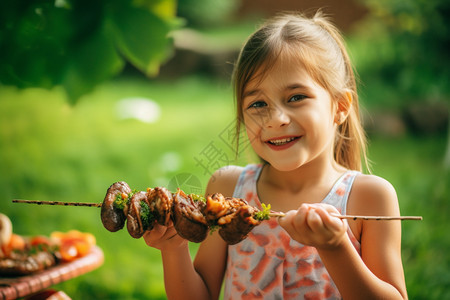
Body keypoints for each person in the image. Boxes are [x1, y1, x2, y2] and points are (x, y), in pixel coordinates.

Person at [143, 10, 408, 299]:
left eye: (296, 97)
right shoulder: (228, 189)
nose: (275, 119)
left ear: (340, 106)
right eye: (258, 104)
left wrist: (336, 248)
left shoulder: (370, 198)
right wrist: (174, 249)